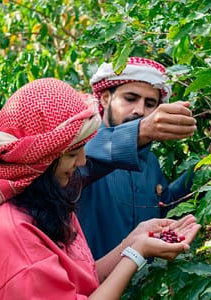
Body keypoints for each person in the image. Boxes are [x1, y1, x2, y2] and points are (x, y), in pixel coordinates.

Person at [0, 78, 201, 299]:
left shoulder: (49, 199)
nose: (81, 161)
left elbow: (80, 279)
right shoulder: (13, 233)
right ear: (40, 158)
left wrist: (131, 242)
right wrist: (136, 253)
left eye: (149, 103)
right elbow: (99, 155)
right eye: (72, 154)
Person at [77, 57, 198, 259]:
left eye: (150, 104)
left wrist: (205, 167)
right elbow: (85, 164)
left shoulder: (150, 161)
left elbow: (162, 206)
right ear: (105, 98)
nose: (140, 110)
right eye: (130, 99)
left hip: (141, 285)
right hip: (90, 285)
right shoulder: (79, 147)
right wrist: (139, 132)